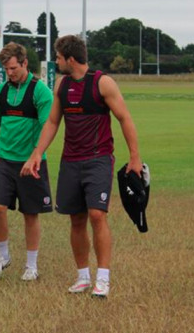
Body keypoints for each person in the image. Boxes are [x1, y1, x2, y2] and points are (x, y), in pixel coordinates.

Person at [21, 35, 142, 298]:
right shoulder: (62, 86)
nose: (57, 61)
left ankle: (103, 279)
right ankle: (83, 276)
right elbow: (52, 122)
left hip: (98, 159)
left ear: (70, 58)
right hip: (70, 161)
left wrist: (135, 158)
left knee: (97, 215)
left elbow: (124, 118)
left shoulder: (103, 83)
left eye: (59, 57)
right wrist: (37, 153)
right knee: (76, 219)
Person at [0, 43, 54, 281]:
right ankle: (3, 257)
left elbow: (47, 128)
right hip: (4, 160)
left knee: (30, 214)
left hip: (31, 162)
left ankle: (31, 265)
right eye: (5, 69)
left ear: (24, 63)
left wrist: (34, 157)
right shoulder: (1, 91)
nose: (9, 73)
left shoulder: (40, 91)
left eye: (12, 68)